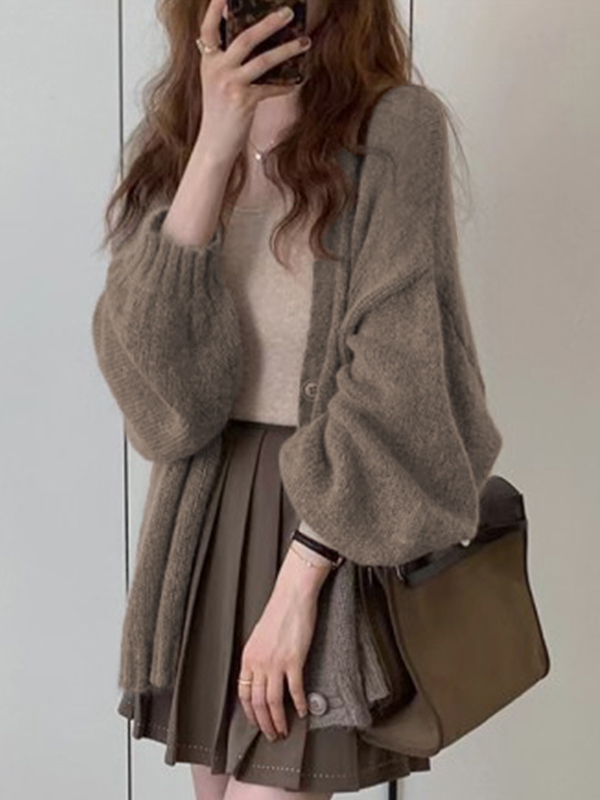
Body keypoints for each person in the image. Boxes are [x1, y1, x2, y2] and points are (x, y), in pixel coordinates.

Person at [93, 0, 503, 796]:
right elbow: (161, 400)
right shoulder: (176, 140)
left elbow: (400, 381)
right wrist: (215, 144)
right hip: (205, 523)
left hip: (330, 524)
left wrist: (297, 593)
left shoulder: (394, 127)